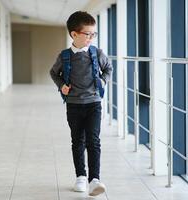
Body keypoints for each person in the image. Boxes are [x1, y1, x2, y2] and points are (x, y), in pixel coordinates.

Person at [49, 11, 112, 196]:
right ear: (74, 34)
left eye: (94, 34)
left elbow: (108, 68)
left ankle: (95, 180)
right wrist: (62, 86)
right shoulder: (65, 56)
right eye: (88, 34)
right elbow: (54, 73)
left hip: (93, 103)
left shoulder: (96, 53)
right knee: (78, 141)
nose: (91, 38)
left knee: (93, 140)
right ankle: (81, 177)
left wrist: (103, 80)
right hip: (74, 105)